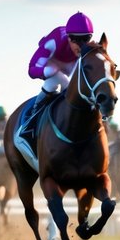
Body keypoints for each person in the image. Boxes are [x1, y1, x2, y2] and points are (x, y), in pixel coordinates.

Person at [15, 12, 96, 157]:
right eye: (77, 40)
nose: (82, 45)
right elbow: (31, 70)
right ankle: (30, 124)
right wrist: (46, 71)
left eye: (87, 39)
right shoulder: (55, 40)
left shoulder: (87, 48)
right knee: (54, 81)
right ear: (69, 37)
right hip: (49, 63)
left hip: (69, 68)